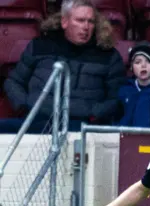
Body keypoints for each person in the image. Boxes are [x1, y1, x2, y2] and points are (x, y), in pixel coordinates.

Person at [1, 0, 125, 133]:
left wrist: (94, 114)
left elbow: (116, 98)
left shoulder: (108, 55)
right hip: (37, 122)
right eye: (80, 20)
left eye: (91, 21)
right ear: (64, 22)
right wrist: (25, 106)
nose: (86, 27)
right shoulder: (40, 46)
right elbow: (14, 82)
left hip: (81, 127)